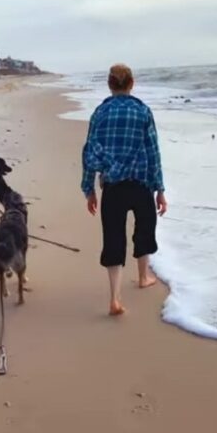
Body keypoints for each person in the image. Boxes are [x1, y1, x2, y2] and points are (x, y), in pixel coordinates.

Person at [81, 63, 167, 316]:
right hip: (141, 184)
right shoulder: (142, 111)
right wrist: (160, 189)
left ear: (110, 84)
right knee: (145, 230)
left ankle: (115, 299)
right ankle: (143, 277)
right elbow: (153, 153)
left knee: (113, 239)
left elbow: (89, 152)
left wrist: (89, 189)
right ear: (132, 83)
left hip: (113, 187)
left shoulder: (100, 113)